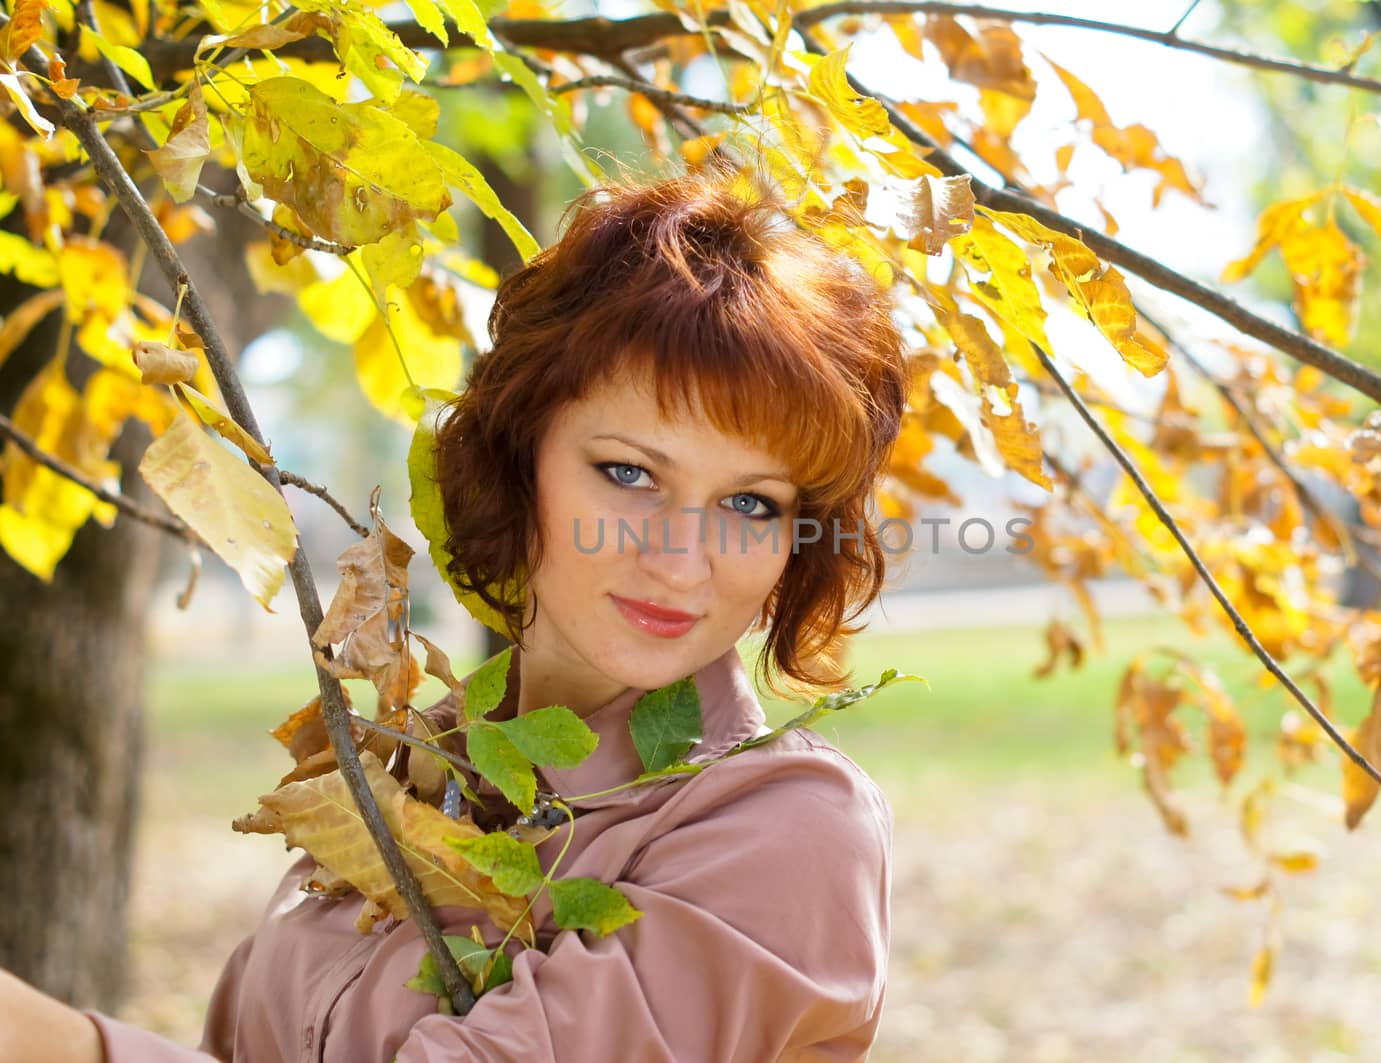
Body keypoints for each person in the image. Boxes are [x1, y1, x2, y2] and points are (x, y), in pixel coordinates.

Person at [0, 161, 910, 1061]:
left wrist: (65, 1046)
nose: (680, 559)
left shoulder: (785, 832)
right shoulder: (412, 766)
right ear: (520, 460)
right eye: (630, 473)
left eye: (750, 503)